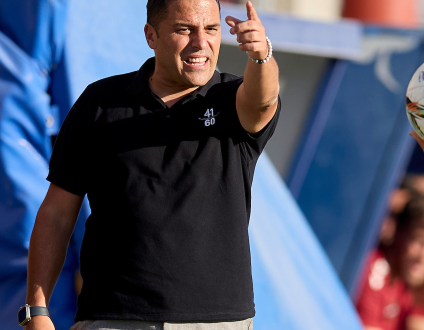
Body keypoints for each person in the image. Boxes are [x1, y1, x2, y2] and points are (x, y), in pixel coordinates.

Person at [21, 0, 280, 329]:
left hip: (216, 322)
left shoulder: (232, 102)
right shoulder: (99, 103)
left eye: (212, 29)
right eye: (184, 30)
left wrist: (262, 56)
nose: (201, 43)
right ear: (151, 35)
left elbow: (263, 99)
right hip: (111, 319)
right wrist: (35, 310)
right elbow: (57, 213)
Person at [356, 197, 424, 330]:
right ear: (399, 233)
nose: (421, 257)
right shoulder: (373, 267)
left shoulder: (409, 285)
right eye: (419, 241)